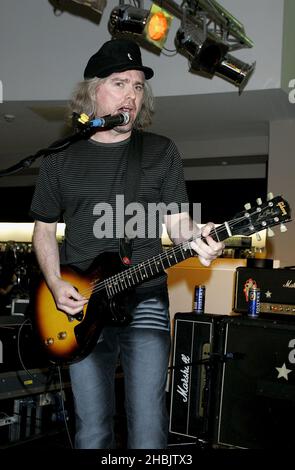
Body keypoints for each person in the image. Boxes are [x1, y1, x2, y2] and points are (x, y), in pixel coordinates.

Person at [29, 38, 224, 449]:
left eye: (138, 86)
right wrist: (53, 282)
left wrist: (198, 236)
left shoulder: (159, 152)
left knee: (149, 427)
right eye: (120, 83)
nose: (131, 95)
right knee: (92, 428)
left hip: (146, 301)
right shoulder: (60, 158)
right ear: (91, 91)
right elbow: (44, 229)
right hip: (79, 308)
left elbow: (178, 224)